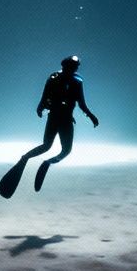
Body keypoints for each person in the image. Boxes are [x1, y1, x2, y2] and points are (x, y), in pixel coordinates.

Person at [21, 55, 98, 192]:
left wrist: (91, 116)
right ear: (66, 66)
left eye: (75, 67)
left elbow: (80, 103)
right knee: (52, 147)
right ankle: (28, 158)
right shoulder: (57, 78)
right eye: (73, 67)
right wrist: (40, 106)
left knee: (60, 149)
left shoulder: (73, 81)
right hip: (58, 118)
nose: (74, 69)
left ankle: (43, 161)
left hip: (63, 119)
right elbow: (45, 96)